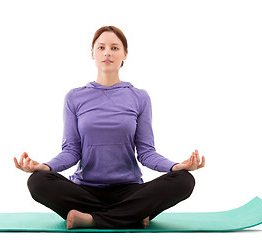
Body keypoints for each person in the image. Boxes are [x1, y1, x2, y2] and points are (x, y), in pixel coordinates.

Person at [13, 25, 205, 230]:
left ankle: (93, 219)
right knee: (38, 181)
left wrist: (176, 167)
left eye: (114, 48)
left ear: (125, 54)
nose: (107, 52)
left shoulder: (139, 97)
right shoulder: (74, 97)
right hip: (84, 192)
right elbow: (71, 151)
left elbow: (147, 152)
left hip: (130, 191)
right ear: (92, 53)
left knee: (184, 181)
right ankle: (131, 215)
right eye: (101, 47)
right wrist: (45, 167)